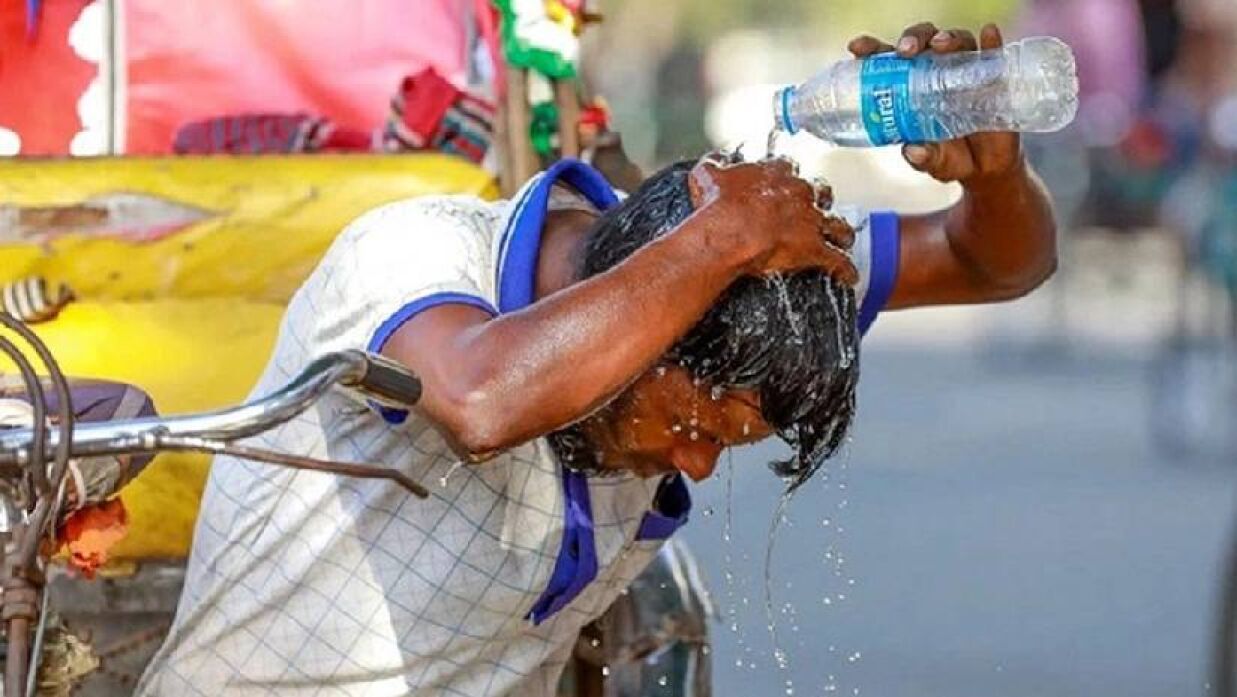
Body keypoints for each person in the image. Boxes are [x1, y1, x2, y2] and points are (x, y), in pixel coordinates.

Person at [138, 22, 1056, 697]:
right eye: (695, 425)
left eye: (721, 444)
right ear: (652, 319)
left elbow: (994, 262)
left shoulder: (749, 287)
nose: (696, 464)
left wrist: (993, 177)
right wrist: (718, 241)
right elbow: (481, 403)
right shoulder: (411, 255)